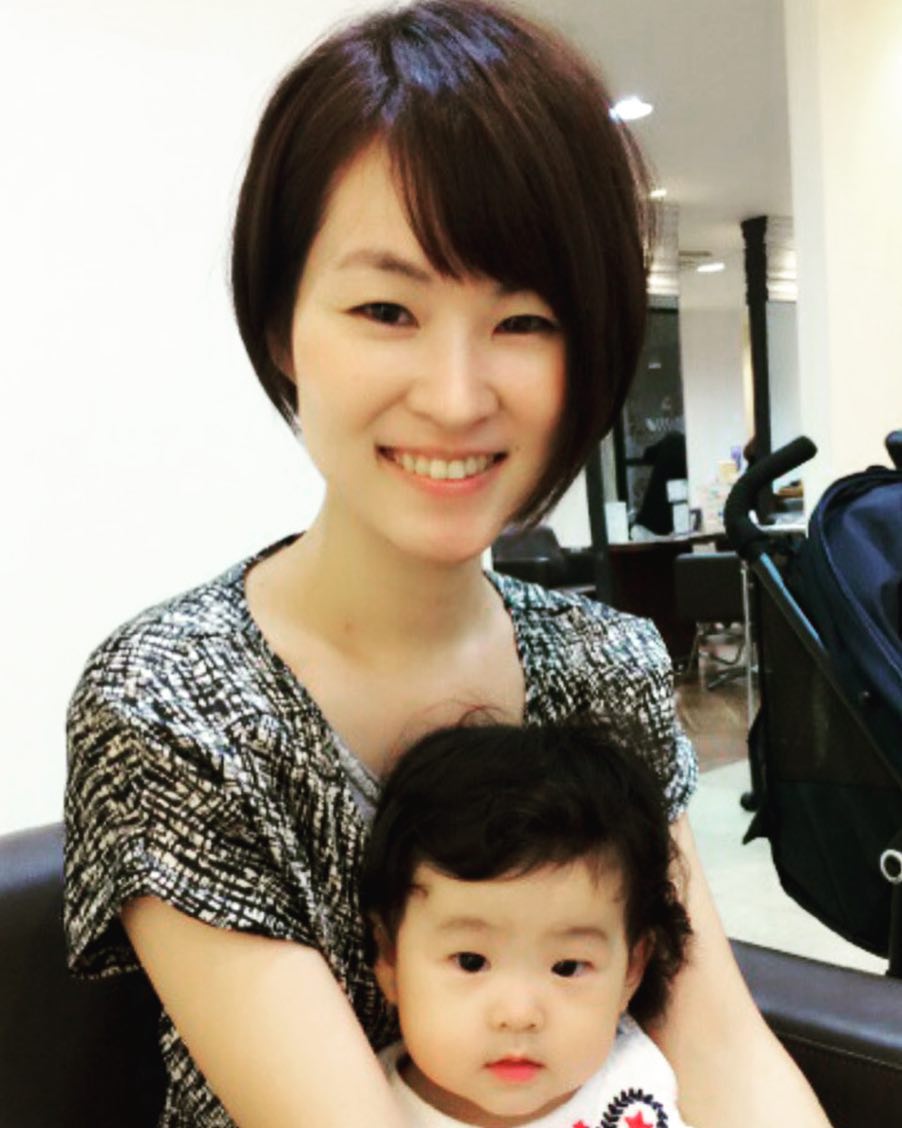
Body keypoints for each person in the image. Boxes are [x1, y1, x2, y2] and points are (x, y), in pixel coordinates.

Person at [63, 1, 829, 1125]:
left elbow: (721, 1049)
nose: (459, 397)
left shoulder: (605, 665)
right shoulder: (174, 705)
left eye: (523, 321)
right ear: (281, 327)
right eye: (387, 309)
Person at [359, 721, 694, 1127]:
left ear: (632, 970)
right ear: (390, 958)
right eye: (470, 961)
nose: (518, 1014)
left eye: (567, 967)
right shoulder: (355, 1105)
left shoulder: (637, 1089)